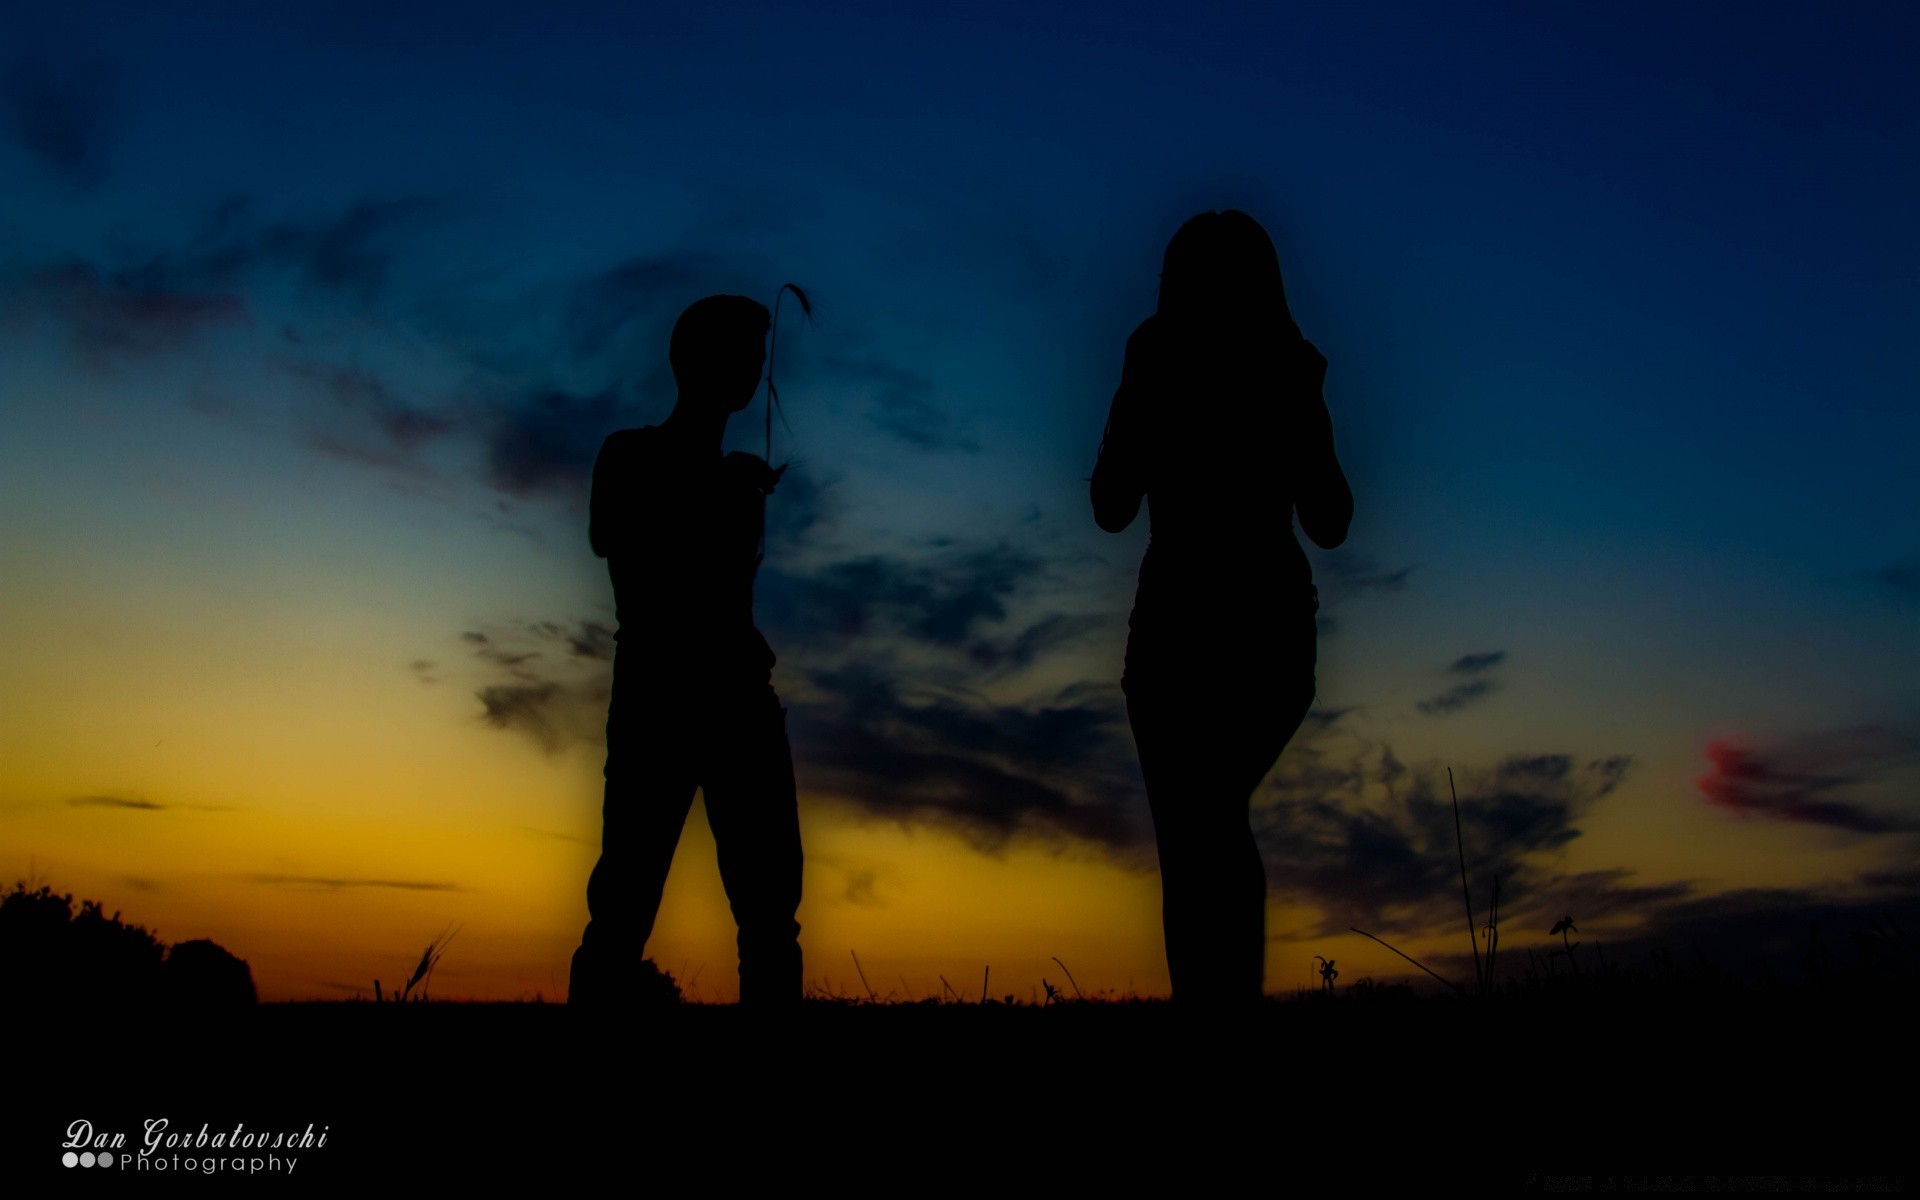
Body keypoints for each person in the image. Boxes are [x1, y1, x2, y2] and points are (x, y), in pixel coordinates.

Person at [1090, 210, 1353, 1006]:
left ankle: (1215, 1014)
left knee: (1196, 829)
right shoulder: (1286, 361)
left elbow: (1109, 502)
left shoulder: (1161, 352)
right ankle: (1221, 1013)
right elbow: (1332, 521)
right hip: (1256, 628)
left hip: (1184, 631)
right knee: (1208, 822)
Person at [569, 294, 803, 1008]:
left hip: (733, 702)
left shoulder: (737, 479)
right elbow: (626, 553)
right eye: (744, 355)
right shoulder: (630, 454)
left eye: (759, 358)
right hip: (662, 700)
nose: (757, 372)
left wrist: (733, 492)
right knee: (625, 905)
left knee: (768, 912)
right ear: (694, 362)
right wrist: (720, 489)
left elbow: (726, 600)